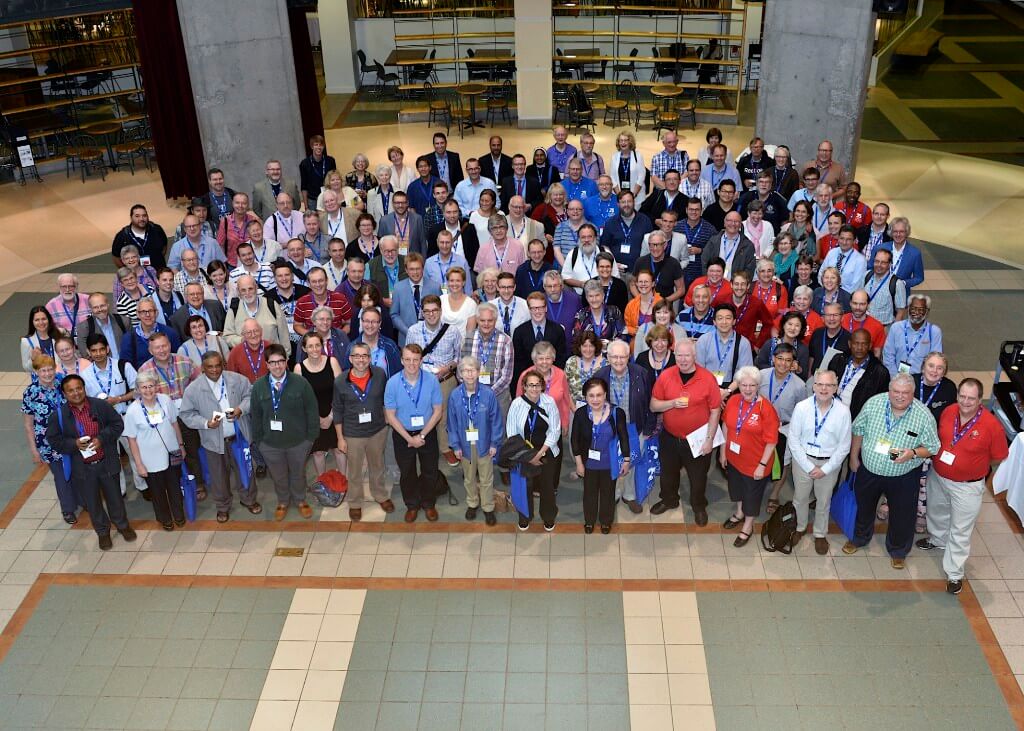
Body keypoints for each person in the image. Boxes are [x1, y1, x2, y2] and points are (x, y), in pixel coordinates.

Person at [917, 378, 1009, 594]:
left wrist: (972, 467)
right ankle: (938, 539)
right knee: (936, 511)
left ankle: (955, 573)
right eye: (963, 396)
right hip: (938, 476)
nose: (966, 402)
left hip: (967, 487)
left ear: (980, 400)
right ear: (957, 395)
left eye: (971, 398)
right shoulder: (949, 412)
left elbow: (999, 456)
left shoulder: (991, 425)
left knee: (960, 529)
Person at [843, 374, 941, 569]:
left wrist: (913, 453)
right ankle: (859, 538)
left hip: (903, 476)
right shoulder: (873, 404)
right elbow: (858, 430)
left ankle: (898, 550)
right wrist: (854, 457)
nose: (900, 396)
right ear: (889, 391)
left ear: (913, 394)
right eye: (896, 391)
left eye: (905, 393)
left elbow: (933, 447)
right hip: (869, 471)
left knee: (903, 514)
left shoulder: (923, 416)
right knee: (864, 507)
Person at [47, 374, 135, 551]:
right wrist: (74, 444)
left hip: (106, 461)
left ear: (84, 388)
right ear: (64, 394)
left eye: (79, 388)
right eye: (70, 390)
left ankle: (122, 525)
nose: (76, 393)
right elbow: (54, 440)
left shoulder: (100, 405)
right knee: (92, 503)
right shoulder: (59, 416)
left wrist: (102, 439)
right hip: (83, 469)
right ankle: (103, 532)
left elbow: (117, 424)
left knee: (115, 497)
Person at [650, 338, 722, 525]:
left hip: (697, 439)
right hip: (670, 436)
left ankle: (698, 506)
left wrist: (709, 439)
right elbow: (653, 405)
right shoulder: (666, 376)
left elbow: (715, 410)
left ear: (695, 356)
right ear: (674, 355)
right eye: (679, 355)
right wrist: (672, 403)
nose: (683, 359)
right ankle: (669, 499)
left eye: (687, 355)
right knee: (668, 473)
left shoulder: (707, 378)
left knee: (698, 477)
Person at [787, 369, 853, 555]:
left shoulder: (843, 411)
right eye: (820, 384)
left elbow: (844, 446)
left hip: (829, 464)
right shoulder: (802, 408)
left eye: (829, 385)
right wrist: (808, 466)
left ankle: (819, 533)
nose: (824, 389)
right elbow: (793, 440)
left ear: (836, 388)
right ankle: (800, 527)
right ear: (814, 386)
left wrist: (825, 469)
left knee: (823, 501)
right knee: (800, 498)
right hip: (802, 461)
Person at [251, 344, 318, 520]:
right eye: (272, 362)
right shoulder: (258, 387)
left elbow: (312, 410)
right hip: (271, 444)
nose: (277, 366)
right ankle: (283, 502)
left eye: (281, 361)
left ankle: (300, 500)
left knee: (298, 474)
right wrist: (260, 442)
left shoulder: (300, 383)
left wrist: (310, 439)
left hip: (298, 442)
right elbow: (256, 416)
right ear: (266, 364)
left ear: (286, 361)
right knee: (278, 476)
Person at [332, 343, 392, 522]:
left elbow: (385, 399)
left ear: (370, 358)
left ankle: (380, 495)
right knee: (355, 471)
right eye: (356, 356)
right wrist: (340, 438)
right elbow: (337, 410)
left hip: (377, 430)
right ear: (350, 359)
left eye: (364, 356)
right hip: (353, 433)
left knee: (377, 466)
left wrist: (387, 417)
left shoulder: (380, 374)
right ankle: (355, 503)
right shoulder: (341, 381)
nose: (361, 360)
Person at [720, 366, 779, 547]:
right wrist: (723, 451)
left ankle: (748, 525)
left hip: (755, 464)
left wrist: (762, 465)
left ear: (758, 386)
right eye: (744, 385)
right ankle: (739, 513)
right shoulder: (733, 401)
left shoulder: (766, 409)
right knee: (736, 489)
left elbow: (771, 441)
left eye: (752, 385)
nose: (747, 389)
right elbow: (726, 426)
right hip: (733, 458)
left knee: (752, 496)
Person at [384, 343, 444, 522]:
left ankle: (428, 503)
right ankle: (412, 504)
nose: (412, 364)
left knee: (430, 470)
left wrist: (422, 435)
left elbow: (438, 411)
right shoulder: (392, 383)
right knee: (407, 471)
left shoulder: (432, 380)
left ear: (421, 361)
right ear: (402, 360)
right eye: (408, 359)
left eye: (416, 360)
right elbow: (390, 416)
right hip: (403, 434)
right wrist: (409, 438)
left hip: (427, 432)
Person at [595, 339, 654, 511]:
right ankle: (612, 494)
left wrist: (648, 428)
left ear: (629, 357)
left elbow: (650, 401)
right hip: (609, 430)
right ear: (608, 357)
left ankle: (629, 495)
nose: (619, 361)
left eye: (623, 357)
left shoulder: (641, 373)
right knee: (610, 462)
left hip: (634, 427)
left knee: (633, 461)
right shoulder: (600, 376)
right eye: (614, 357)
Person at [123, 372, 185, 529]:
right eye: (143, 387)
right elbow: (131, 439)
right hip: (149, 459)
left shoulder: (165, 401)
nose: (148, 390)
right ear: (137, 389)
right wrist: (139, 464)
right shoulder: (132, 411)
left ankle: (179, 514)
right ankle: (165, 519)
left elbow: (174, 424)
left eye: (151, 386)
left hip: (171, 452)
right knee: (157, 492)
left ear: (157, 386)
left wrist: (181, 445)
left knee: (175, 487)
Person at [447, 356, 504, 525]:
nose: (469, 374)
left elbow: (496, 420)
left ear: (478, 372)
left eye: (472, 370)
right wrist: (455, 445)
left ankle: (488, 507)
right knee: (469, 478)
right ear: (460, 374)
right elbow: (451, 422)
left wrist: (495, 443)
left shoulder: (488, 394)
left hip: (484, 443)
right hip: (465, 444)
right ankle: (472, 503)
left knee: (487, 478)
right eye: (465, 370)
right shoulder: (455, 396)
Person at [406, 294, 463, 464]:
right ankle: (423, 444)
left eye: (435, 311)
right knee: (422, 413)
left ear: (440, 310)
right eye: (427, 311)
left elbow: (459, 357)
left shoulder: (452, 331)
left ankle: (445, 447)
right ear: (422, 312)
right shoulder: (413, 330)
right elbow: (408, 355)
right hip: (420, 380)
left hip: (444, 379)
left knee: (444, 416)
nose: (431, 314)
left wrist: (448, 368)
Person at [22, 355, 78, 523]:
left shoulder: (64, 383)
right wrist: (34, 450)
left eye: (50, 369)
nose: (47, 374)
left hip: (71, 436)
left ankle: (83, 501)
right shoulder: (31, 392)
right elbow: (28, 425)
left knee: (77, 470)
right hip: (48, 443)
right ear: (36, 372)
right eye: (43, 370)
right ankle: (68, 509)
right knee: (60, 475)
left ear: (55, 369)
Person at [507, 368, 563, 531]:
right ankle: (525, 516)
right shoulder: (517, 404)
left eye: (537, 385)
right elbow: (512, 433)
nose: (534, 388)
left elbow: (555, 430)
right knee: (525, 486)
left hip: (546, 451)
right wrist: (527, 455)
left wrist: (540, 452)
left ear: (542, 386)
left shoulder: (549, 402)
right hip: (523, 453)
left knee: (547, 487)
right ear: (524, 386)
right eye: (530, 385)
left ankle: (548, 516)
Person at [572, 378, 630, 534]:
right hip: (588, 463)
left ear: (605, 395)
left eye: (599, 395)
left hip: (609, 463)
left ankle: (606, 521)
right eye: (591, 396)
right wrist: (579, 464)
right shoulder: (581, 414)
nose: (595, 399)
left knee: (608, 493)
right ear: (585, 397)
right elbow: (575, 440)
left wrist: (626, 460)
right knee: (589, 493)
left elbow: (624, 437)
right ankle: (589, 520)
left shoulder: (617, 413)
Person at [292, 330, 344, 480]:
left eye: (317, 345)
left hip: (334, 413)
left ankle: (343, 481)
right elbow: (300, 400)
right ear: (304, 349)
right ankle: (323, 484)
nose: (314, 349)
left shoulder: (332, 362)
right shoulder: (299, 368)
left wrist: (331, 417)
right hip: (313, 418)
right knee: (318, 452)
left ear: (322, 346)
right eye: (310, 346)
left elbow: (340, 393)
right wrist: (317, 419)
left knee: (339, 450)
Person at [512, 291, 568, 390]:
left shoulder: (557, 330)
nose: (537, 311)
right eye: (534, 308)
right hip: (528, 384)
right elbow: (518, 363)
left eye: (541, 307)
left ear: (546, 308)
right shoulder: (519, 332)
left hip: (553, 383)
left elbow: (561, 359)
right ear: (529, 309)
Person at [829, 328, 890, 419]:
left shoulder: (880, 372)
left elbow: (881, 404)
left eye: (864, 344)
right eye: (856, 343)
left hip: (857, 420)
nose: (859, 348)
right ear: (850, 344)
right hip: (832, 414)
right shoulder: (838, 360)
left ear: (870, 346)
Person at [695, 303, 754, 394]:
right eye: (720, 318)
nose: (724, 322)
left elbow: (745, 374)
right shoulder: (704, 340)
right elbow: (698, 370)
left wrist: (727, 391)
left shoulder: (743, 343)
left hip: (733, 389)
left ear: (734, 321)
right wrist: (713, 392)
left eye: (728, 318)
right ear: (714, 322)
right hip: (706, 387)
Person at [223, 276, 291, 352]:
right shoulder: (234, 309)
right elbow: (227, 336)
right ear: (238, 291)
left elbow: (284, 336)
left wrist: (286, 357)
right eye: (243, 290)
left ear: (256, 287)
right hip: (246, 358)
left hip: (271, 359)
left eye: (250, 289)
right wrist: (241, 340)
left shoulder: (271, 305)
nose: (247, 293)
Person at [883, 294, 942, 377]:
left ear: (927, 311)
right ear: (908, 309)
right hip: (898, 377)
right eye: (913, 308)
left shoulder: (934, 332)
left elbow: (936, 360)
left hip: (922, 379)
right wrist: (895, 377)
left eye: (921, 309)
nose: (916, 312)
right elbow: (888, 356)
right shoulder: (896, 328)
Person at [600, 191, 652, 276]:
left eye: (629, 201)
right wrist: (612, 263)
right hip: (616, 271)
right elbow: (605, 246)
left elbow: (651, 245)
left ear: (634, 202)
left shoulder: (645, 221)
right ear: (618, 204)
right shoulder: (610, 222)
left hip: (639, 272)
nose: (626, 205)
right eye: (623, 202)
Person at [119, 300, 181, 371]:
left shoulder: (170, 334)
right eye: (143, 312)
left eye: (150, 311)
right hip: (141, 379)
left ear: (156, 313)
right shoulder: (128, 338)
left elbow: (177, 360)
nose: (147, 315)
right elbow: (126, 369)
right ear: (138, 314)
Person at [871, 216, 925, 291]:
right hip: (877, 291)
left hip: (900, 294)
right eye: (895, 231)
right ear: (891, 232)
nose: (898, 235)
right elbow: (870, 269)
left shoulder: (915, 253)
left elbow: (919, 278)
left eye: (901, 231)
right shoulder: (879, 248)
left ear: (907, 233)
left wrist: (903, 283)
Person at [632, 231, 685, 306]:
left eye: (658, 245)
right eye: (652, 245)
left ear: (665, 245)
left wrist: (664, 301)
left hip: (664, 308)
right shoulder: (640, 261)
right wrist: (640, 299)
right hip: (643, 306)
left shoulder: (674, 263)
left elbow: (681, 289)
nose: (655, 248)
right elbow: (632, 284)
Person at [112, 203, 169, 270]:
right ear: (131, 218)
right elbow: (116, 258)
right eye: (137, 216)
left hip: (158, 271)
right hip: (136, 275)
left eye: (144, 215)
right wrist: (128, 272)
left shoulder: (156, 229)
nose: (141, 219)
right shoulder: (122, 236)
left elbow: (164, 248)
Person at [756, 311, 810, 379]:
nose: (793, 328)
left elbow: (804, 375)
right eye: (790, 324)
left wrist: (798, 369)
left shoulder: (803, 349)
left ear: (801, 329)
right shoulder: (770, 344)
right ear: (783, 325)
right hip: (768, 382)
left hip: (791, 386)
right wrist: (779, 370)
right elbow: (760, 364)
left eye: (797, 325)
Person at [701, 212, 756, 280]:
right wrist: (709, 280)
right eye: (729, 220)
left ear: (740, 225)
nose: (733, 224)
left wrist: (739, 284)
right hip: (713, 284)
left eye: (736, 221)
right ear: (724, 223)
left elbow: (749, 269)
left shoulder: (748, 246)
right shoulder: (713, 241)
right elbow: (704, 263)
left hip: (736, 287)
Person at [863, 248, 907, 327]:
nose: (879, 265)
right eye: (876, 261)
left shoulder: (897, 284)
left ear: (889, 264)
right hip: (865, 324)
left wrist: (894, 331)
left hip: (884, 328)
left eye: (883, 262)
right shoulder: (867, 275)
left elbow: (901, 311)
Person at [573, 279, 625, 345]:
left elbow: (623, 335)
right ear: (586, 298)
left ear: (603, 296)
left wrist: (610, 343)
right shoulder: (581, 314)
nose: (594, 300)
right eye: (591, 296)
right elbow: (576, 341)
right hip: (588, 354)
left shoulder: (614, 311)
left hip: (611, 353)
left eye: (597, 295)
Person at [428, 199, 480, 265]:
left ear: (459, 212)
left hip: (466, 270)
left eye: (455, 212)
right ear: (443, 213)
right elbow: (431, 254)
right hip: (443, 270)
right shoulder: (435, 231)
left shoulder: (469, 228)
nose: (452, 215)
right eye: (448, 212)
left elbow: (476, 252)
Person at [217, 193, 261, 266]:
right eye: (237, 203)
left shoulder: (254, 220)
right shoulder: (225, 222)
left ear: (248, 205)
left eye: (244, 203)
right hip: (232, 265)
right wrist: (223, 264)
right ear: (232, 204)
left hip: (252, 263)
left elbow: (260, 242)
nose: (240, 206)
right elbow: (220, 245)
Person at [565, 331, 606, 410]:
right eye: (584, 346)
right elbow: (565, 388)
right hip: (573, 410)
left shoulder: (605, 364)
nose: (588, 349)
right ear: (579, 347)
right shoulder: (571, 362)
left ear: (596, 347)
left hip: (599, 411)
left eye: (591, 346)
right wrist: (574, 410)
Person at [378, 191, 427, 256]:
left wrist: (423, 261)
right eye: (397, 203)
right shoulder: (384, 221)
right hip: (392, 260)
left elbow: (423, 242)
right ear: (393, 204)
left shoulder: (417, 219)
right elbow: (381, 244)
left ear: (407, 203)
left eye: (403, 203)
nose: (400, 205)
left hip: (413, 260)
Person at [46, 273, 91, 340]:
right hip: (64, 347)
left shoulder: (88, 300)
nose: (67, 290)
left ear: (76, 286)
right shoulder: (51, 306)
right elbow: (47, 329)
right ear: (59, 287)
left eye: (71, 286)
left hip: (87, 344)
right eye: (64, 286)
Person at [809, 302, 851, 374]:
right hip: (815, 377)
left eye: (835, 315)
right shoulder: (817, 333)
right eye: (828, 315)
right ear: (823, 318)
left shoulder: (849, 338)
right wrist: (809, 377)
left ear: (842, 317)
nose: (831, 318)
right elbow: (812, 357)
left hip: (836, 381)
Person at [841, 289, 886, 356]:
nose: (858, 307)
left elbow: (877, 352)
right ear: (850, 303)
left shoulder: (877, 326)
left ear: (868, 305)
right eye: (855, 303)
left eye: (862, 304)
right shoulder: (841, 320)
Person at [299, 136, 337, 210]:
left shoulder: (330, 161)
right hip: (312, 200)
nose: (319, 147)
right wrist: (306, 207)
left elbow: (334, 180)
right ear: (312, 146)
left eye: (321, 145)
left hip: (328, 197)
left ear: (323, 147)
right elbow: (304, 186)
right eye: (316, 144)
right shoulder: (304, 163)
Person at [609, 131, 646, 206]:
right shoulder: (614, 157)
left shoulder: (638, 156)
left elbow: (641, 176)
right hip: (619, 194)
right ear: (618, 143)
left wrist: (633, 195)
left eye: (626, 140)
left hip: (636, 196)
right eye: (621, 140)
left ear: (630, 142)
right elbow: (612, 176)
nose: (623, 143)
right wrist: (619, 195)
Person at [21, 306, 62, 373]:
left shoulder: (60, 334)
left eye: (44, 319)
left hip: (61, 376)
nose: (41, 323)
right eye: (37, 320)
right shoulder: (26, 341)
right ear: (32, 322)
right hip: (43, 379)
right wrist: (33, 359)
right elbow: (26, 368)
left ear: (49, 319)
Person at [440, 266, 478, 334]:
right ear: (448, 283)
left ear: (463, 283)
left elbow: (470, 334)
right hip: (441, 343)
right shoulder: (441, 300)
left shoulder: (471, 304)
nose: (454, 284)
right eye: (451, 280)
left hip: (462, 344)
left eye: (458, 280)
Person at [624, 269, 662, 336]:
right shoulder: (631, 305)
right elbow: (627, 326)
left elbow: (667, 325)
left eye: (646, 281)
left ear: (653, 284)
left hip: (658, 341)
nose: (643, 284)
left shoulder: (662, 303)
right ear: (637, 284)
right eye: (640, 282)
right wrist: (635, 331)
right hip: (636, 342)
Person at [543, 270, 582, 336]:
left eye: (555, 286)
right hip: (547, 345)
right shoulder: (540, 301)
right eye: (549, 286)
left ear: (562, 286)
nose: (553, 290)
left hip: (570, 344)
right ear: (544, 287)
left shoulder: (574, 299)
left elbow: (581, 322)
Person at [552, 199, 588, 267]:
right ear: (567, 211)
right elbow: (556, 250)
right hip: (563, 269)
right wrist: (567, 268)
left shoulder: (592, 228)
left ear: (583, 211)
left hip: (584, 269)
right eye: (572, 209)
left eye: (578, 209)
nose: (575, 211)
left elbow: (592, 251)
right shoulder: (560, 227)